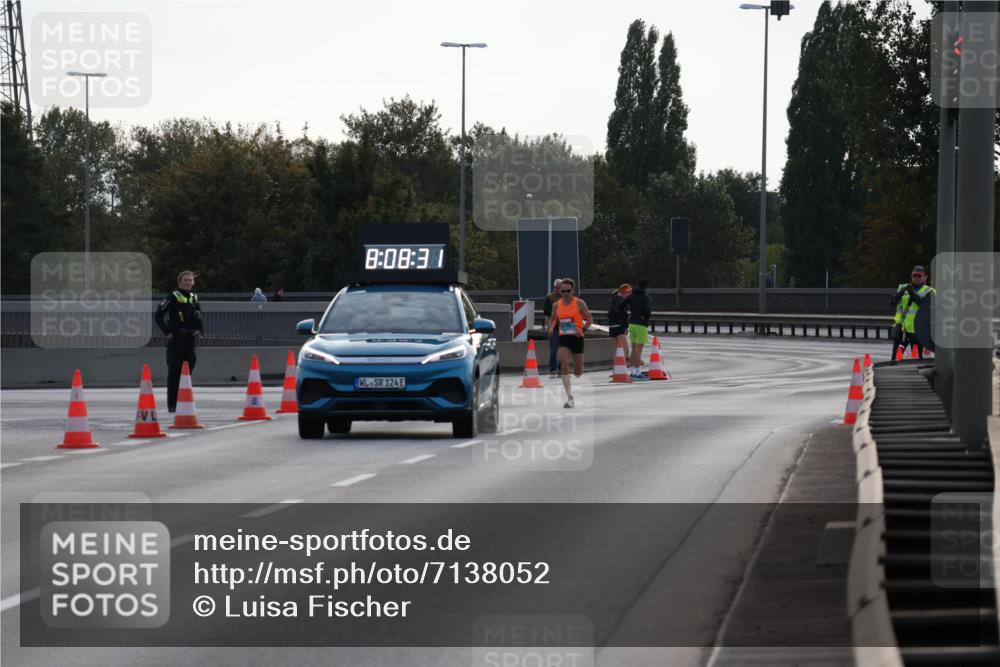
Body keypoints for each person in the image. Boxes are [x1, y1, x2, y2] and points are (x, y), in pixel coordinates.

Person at [155, 270, 203, 412]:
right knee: (175, 372)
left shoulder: (194, 297)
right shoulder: (173, 296)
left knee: (188, 370)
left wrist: (200, 330)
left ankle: (184, 401)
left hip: (189, 339)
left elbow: (198, 315)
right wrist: (167, 331)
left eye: (190, 280)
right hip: (176, 338)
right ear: (180, 282)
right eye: (185, 280)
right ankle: (173, 405)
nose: (188, 282)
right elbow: (158, 315)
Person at [548, 278, 593, 408]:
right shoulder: (556, 305)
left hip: (577, 338)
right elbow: (552, 319)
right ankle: (569, 396)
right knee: (564, 365)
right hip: (564, 337)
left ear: (572, 290)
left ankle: (577, 370)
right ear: (560, 291)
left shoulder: (579, 303)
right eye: (563, 291)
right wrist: (551, 328)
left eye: (568, 290)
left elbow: (589, 318)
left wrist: (583, 329)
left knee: (578, 372)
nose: (566, 293)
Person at [890, 265, 935, 362]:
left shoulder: (929, 291)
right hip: (902, 329)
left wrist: (912, 294)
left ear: (925, 277)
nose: (916, 278)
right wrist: (899, 294)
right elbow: (892, 303)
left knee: (917, 358)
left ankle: (917, 376)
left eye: (919, 276)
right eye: (914, 275)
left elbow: (923, 304)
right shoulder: (902, 287)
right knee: (895, 358)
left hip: (918, 331)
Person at [623, 279, 653, 379]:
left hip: (632, 323)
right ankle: (637, 372)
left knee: (633, 349)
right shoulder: (646, 297)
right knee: (638, 350)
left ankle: (632, 371)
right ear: (645, 287)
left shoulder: (631, 296)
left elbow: (620, 306)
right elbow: (648, 311)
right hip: (641, 325)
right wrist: (645, 318)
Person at [541, 279, 562, 377]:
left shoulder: (566, 298)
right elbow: (546, 312)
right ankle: (553, 370)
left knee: (564, 350)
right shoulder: (549, 298)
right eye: (557, 287)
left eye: (561, 288)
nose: (559, 289)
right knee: (554, 350)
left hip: (565, 327)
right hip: (554, 327)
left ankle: (562, 370)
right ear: (554, 287)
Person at [608, 283, 631, 360]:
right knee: (625, 351)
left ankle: (616, 368)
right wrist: (625, 326)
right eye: (629, 293)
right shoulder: (622, 301)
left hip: (612, 327)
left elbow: (610, 314)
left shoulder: (613, 300)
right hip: (619, 327)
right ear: (626, 292)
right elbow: (624, 315)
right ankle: (621, 368)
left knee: (617, 351)